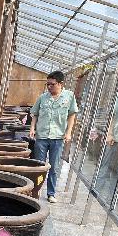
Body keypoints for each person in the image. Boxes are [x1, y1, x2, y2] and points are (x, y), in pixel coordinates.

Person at [29, 71, 79, 203]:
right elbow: (35, 114)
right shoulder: (43, 98)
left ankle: (51, 193)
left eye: (52, 84)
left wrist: (68, 132)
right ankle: (36, 190)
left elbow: (72, 115)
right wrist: (32, 128)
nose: (49, 87)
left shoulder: (69, 97)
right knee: (39, 165)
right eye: (47, 84)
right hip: (42, 136)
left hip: (58, 137)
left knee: (54, 166)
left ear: (60, 84)